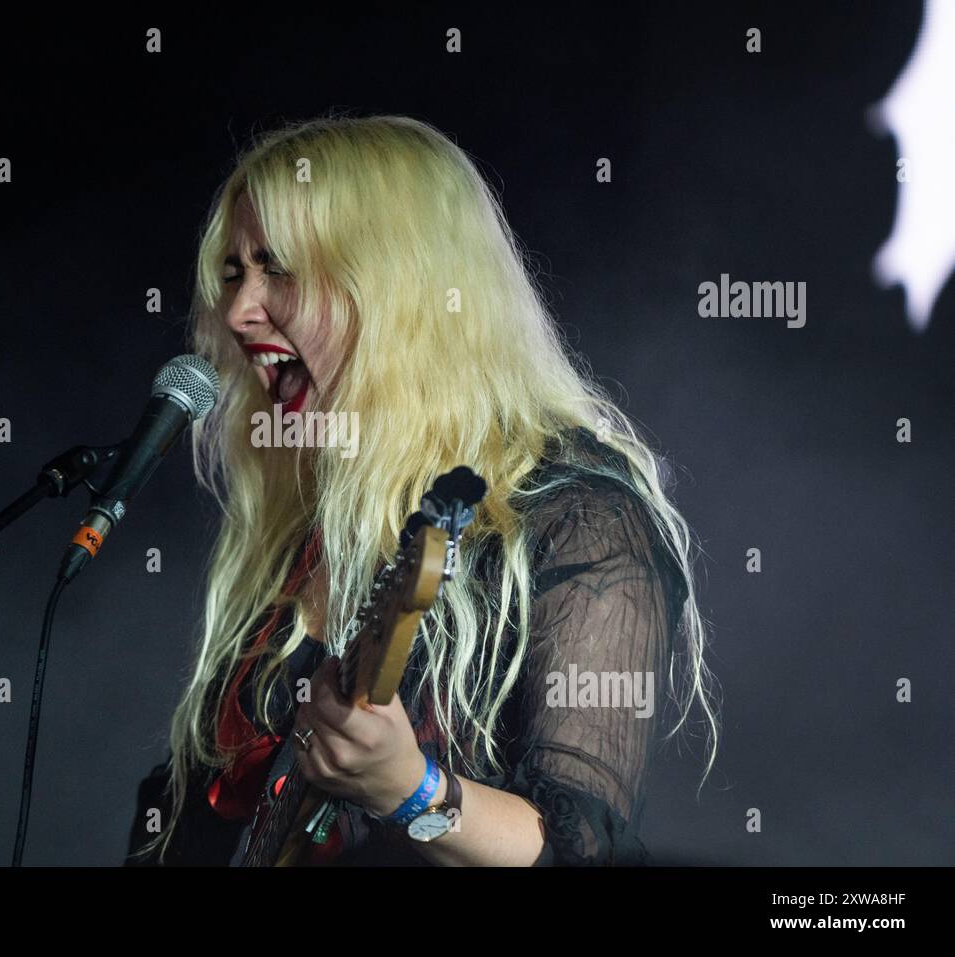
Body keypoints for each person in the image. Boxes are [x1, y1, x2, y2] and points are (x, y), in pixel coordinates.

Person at [125, 114, 718, 866]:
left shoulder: (577, 520)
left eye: (278, 267)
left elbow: (584, 848)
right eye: (234, 273)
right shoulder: (299, 528)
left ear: (397, 285)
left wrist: (410, 789)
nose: (239, 310)